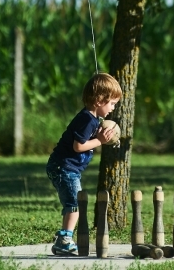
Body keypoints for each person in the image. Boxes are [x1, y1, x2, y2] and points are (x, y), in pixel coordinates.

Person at [46, 73, 122, 256]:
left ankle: (62, 240)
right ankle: (64, 240)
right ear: (99, 100)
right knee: (74, 205)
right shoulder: (87, 119)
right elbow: (78, 146)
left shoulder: (93, 119)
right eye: (111, 103)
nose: (113, 108)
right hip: (64, 167)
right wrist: (100, 141)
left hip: (66, 168)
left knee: (74, 203)